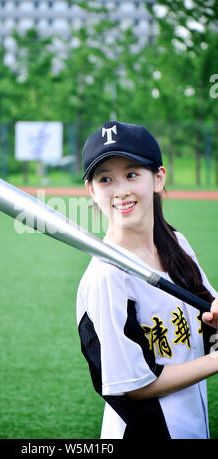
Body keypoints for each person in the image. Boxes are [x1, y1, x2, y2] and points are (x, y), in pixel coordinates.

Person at [76, 120, 218, 439]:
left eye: (131, 174)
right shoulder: (106, 276)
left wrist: (215, 321)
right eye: (105, 179)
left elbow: (207, 320)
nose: (120, 190)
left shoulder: (176, 244)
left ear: (158, 178)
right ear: (91, 190)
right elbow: (137, 385)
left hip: (193, 425)